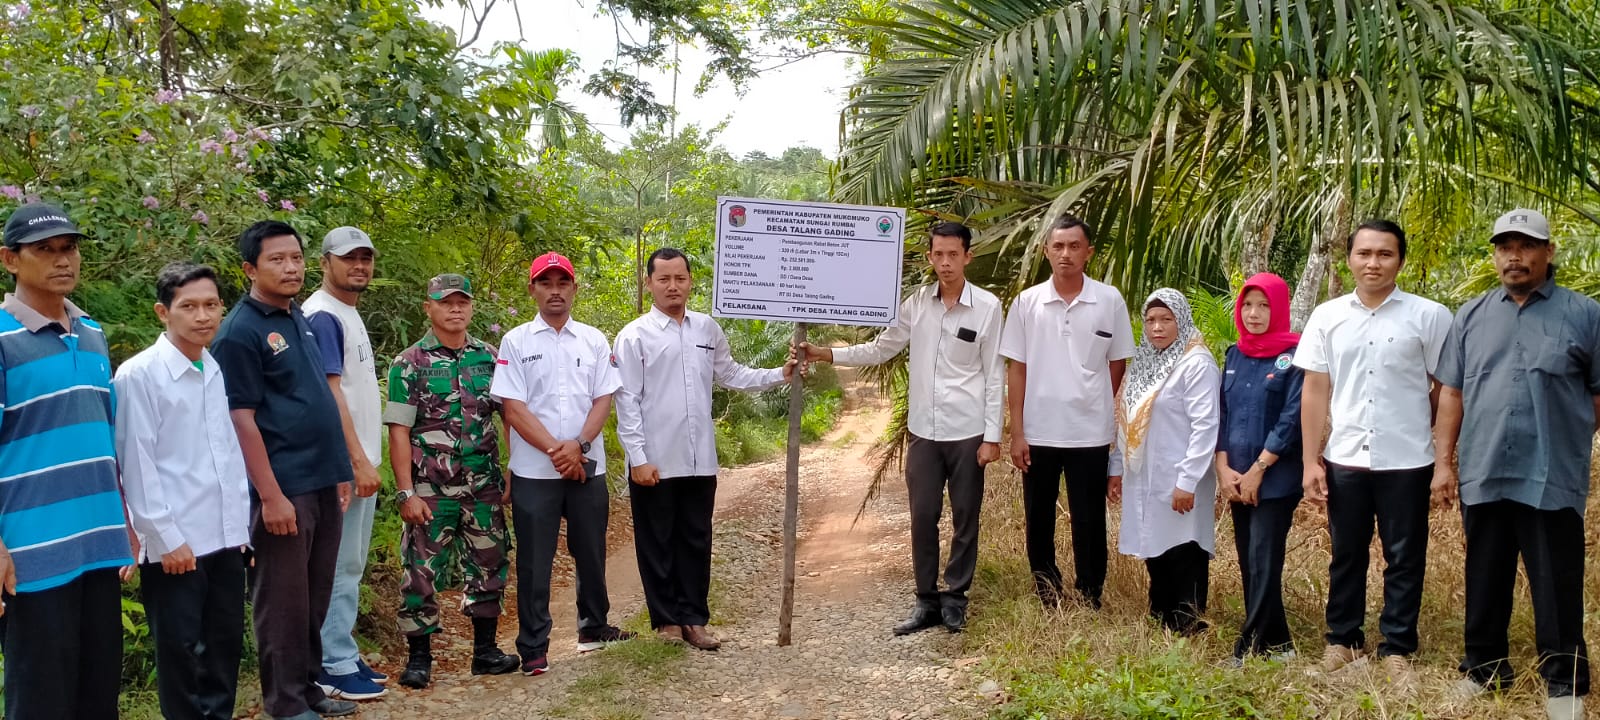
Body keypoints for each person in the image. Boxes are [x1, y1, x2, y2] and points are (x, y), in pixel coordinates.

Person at [795, 222, 1004, 634]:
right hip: (924, 432)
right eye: (938, 255)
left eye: (953, 254)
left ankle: (955, 598)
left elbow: (994, 373)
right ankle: (926, 601)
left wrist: (993, 436)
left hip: (967, 432)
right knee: (923, 515)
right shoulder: (916, 304)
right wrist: (826, 353)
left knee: (966, 516)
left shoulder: (988, 308)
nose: (945, 263)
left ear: (967, 257)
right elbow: (881, 347)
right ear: (929, 258)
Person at [1434, 209, 1600, 720]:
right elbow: (1452, 394)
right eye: (1504, 245)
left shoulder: (1584, 314)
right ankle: (1484, 671)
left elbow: (1596, 397)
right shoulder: (1472, 314)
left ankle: (1563, 685)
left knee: (1557, 583)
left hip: (1552, 474)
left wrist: (1568, 439)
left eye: (1526, 245)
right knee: (1484, 576)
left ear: (1548, 253)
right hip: (1484, 471)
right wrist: (1444, 464)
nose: (1514, 255)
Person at [1294, 219, 1452, 682]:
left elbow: (1446, 390)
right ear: (1349, 258)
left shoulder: (1429, 316)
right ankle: (1342, 641)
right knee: (1347, 553)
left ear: (1400, 260)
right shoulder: (1327, 316)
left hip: (1408, 459)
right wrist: (1310, 460)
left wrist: (1444, 459)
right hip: (1346, 457)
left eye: (1384, 254)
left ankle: (1397, 646)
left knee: (1404, 555)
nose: (1373, 263)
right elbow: (1315, 391)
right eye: (1364, 253)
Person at [211, 220, 357, 720]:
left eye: (295, 257)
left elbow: (318, 399)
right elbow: (240, 419)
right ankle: (285, 702)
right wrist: (269, 495)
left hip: (321, 479)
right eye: (277, 259)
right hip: (283, 488)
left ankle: (309, 686)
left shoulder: (299, 319)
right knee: (283, 601)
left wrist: (340, 468)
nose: (290, 267)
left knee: (315, 595)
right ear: (250, 268)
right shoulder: (239, 332)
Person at [615, 248, 794, 650]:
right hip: (655, 460)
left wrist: (778, 375)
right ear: (649, 284)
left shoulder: (706, 330)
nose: (672, 286)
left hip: (700, 460)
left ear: (690, 280)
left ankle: (694, 619)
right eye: (663, 279)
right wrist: (638, 459)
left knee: (696, 538)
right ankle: (666, 622)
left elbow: (731, 373)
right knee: (656, 541)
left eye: (680, 278)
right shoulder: (634, 336)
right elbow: (626, 401)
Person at [0, 203, 133, 719]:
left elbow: (104, 436)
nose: (63, 260)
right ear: (10, 260)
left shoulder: (93, 333)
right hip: (33, 556)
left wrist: (126, 523)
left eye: (69, 247)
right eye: (45, 250)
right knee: (40, 701)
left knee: (96, 695)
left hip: (99, 547)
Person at [115, 262, 251, 720]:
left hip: (225, 536)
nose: (202, 316)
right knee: (180, 653)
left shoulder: (210, 365)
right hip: (178, 542)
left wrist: (240, 529)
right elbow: (136, 463)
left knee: (224, 645)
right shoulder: (140, 375)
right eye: (188, 306)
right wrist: (163, 536)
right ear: (162, 312)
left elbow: (224, 452)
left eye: (211, 305)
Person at [490, 251, 634, 677]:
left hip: (588, 466)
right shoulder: (516, 341)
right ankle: (533, 646)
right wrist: (559, 450)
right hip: (536, 472)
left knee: (591, 549)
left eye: (563, 283)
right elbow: (512, 408)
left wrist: (580, 445)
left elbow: (604, 398)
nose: (555, 291)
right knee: (535, 560)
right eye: (546, 283)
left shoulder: (592, 339)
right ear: (533, 289)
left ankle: (594, 627)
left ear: (574, 289)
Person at [386, 274, 520, 688]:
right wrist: (406, 491)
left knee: (490, 565)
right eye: (446, 302)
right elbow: (398, 431)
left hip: (483, 485)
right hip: (430, 489)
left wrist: (514, 468)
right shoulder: (409, 363)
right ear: (429, 308)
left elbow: (509, 415)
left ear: (472, 307)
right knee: (420, 572)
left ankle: (485, 653)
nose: (455, 309)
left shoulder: (489, 357)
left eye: (462, 301)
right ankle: (420, 659)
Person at [999, 214, 1135, 609]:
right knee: (1038, 517)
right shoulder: (1027, 303)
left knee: (1089, 519)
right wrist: (1018, 432)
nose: (1065, 254)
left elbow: (1116, 364)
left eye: (1074, 246)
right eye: (1057, 246)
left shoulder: (1109, 300)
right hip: (1039, 431)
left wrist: (1094, 404)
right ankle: (1046, 588)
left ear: (1088, 253)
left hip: (1090, 432)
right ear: (1046, 251)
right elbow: (1017, 368)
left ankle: (1090, 592)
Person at [304, 226, 388, 700]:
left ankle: (342, 648)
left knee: (350, 562)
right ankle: (332, 662)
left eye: (365, 258)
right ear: (325, 262)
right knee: (338, 564)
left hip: (358, 463)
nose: (359, 266)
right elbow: (330, 394)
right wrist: (354, 460)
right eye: (348, 258)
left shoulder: (346, 312)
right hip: (344, 468)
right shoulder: (323, 317)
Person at [1113, 289, 1220, 635]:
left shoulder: (1196, 363)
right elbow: (1124, 419)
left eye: (1166, 319)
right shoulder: (1145, 363)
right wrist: (1116, 468)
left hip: (1179, 473)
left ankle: (1187, 621)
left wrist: (1187, 480)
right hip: (1144, 473)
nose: (1157, 328)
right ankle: (1160, 616)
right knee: (1154, 545)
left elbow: (1206, 426)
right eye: (1150, 320)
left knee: (1184, 547)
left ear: (1182, 320)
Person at [1216, 273, 1304, 663]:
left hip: (1275, 478)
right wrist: (1222, 465)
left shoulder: (1297, 355)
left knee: (1265, 558)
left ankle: (1247, 646)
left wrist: (1259, 468)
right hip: (1235, 476)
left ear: (1279, 308)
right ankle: (1279, 645)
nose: (1254, 314)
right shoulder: (1234, 354)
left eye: (1264, 305)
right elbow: (1222, 411)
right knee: (1249, 560)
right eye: (1248, 305)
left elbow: (1292, 418)